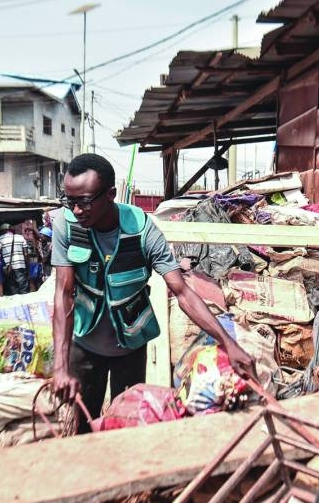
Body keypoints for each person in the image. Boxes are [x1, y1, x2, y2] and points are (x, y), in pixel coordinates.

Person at [50, 153, 255, 421]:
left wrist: (228, 343)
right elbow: (64, 295)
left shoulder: (142, 230)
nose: (76, 210)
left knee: (129, 425)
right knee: (81, 429)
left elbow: (182, 292)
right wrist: (60, 366)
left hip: (130, 349)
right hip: (84, 347)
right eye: (70, 201)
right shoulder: (67, 226)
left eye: (85, 202)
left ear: (110, 194)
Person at [0, 223, 31, 295]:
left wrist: (2, 252)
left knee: (13, 288)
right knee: (23, 288)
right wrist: (28, 266)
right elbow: (26, 254)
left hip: (9, 267)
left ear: (3, 231)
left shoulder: (1, 239)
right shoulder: (20, 237)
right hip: (21, 265)